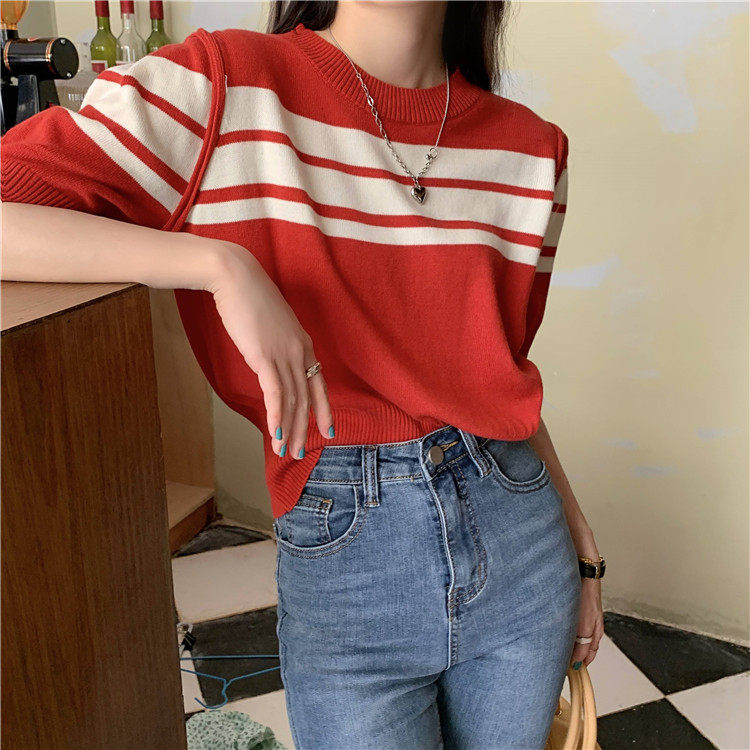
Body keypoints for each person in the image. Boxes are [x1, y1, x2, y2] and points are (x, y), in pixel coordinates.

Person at [1, 1, 605, 747]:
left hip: (519, 538)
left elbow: (498, 379)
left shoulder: (532, 153)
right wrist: (219, 263)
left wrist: (579, 538)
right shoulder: (221, 86)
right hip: (349, 563)